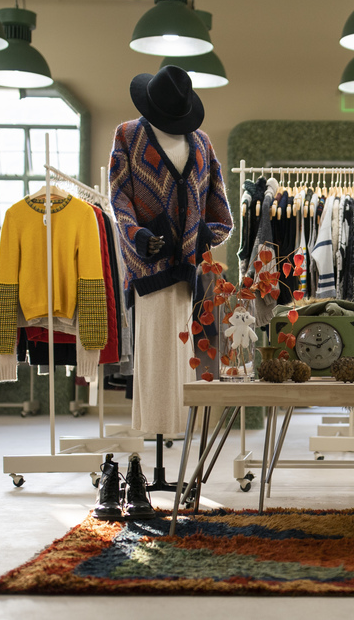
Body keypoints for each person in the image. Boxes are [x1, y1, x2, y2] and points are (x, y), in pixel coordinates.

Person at [109, 65, 232, 438]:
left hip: (187, 270)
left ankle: (177, 426)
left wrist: (204, 235)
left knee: (183, 350)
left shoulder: (202, 143)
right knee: (154, 350)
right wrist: (138, 236)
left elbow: (220, 210)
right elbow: (119, 197)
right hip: (149, 266)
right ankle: (155, 427)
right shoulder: (128, 135)